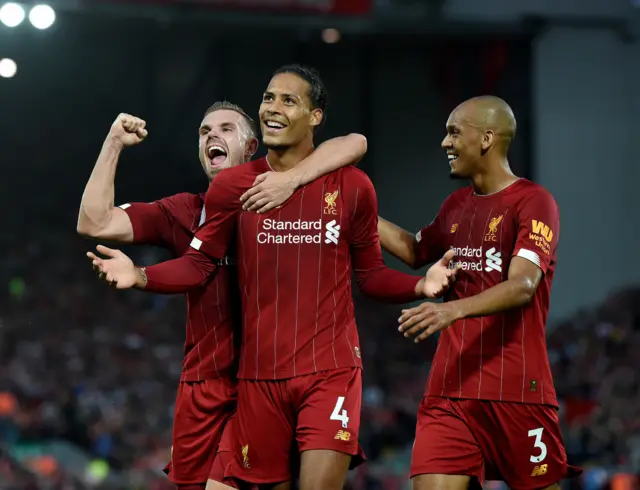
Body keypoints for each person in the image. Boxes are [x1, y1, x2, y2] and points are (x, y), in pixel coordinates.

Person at [86, 64, 458, 490]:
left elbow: (371, 274)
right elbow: (197, 262)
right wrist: (138, 274)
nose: (273, 107)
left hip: (329, 371)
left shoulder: (353, 186)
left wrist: (419, 286)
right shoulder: (230, 190)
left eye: (288, 100)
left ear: (315, 116)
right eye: (267, 98)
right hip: (255, 381)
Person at [77, 101, 369, 490]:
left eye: (227, 129)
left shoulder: (290, 205)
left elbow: (352, 144)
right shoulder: (184, 211)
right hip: (203, 387)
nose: (212, 135)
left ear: (252, 149)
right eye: (204, 132)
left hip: (270, 382)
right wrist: (114, 141)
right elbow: (94, 221)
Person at [377, 96, 582, 490]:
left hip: (516, 390)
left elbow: (523, 285)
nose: (444, 143)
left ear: (487, 138)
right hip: (449, 391)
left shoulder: (534, 202)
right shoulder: (456, 206)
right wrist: (355, 209)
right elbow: (414, 250)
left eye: (454, 132)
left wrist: (450, 312)